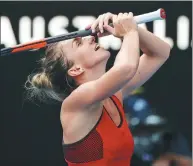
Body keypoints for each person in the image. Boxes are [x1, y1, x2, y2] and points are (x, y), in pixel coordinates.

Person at [25, 12, 171, 166]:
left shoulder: (114, 95)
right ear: (76, 69)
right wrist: (128, 32)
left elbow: (160, 53)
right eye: (79, 43)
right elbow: (126, 68)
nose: (91, 38)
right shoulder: (77, 101)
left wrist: (130, 28)